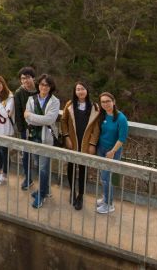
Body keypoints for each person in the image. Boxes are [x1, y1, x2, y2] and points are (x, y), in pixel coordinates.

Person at [59, 81, 100, 210]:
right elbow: (63, 121)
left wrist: (92, 144)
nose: (80, 91)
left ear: (87, 91)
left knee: (83, 169)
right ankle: (72, 190)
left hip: (86, 143)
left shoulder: (94, 107)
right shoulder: (70, 105)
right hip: (72, 141)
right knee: (71, 166)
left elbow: (96, 128)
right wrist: (66, 137)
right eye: (78, 89)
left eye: (82, 89)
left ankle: (81, 195)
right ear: (75, 92)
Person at [24, 73, 61, 209]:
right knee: (37, 164)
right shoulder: (31, 98)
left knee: (44, 168)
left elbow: (49, 120)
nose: (43, 87)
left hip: (46, 139)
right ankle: (45, 191)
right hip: (33, 137)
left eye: (46, 84)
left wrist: (31, 116)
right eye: (41, 84)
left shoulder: (54, 101)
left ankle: (42, 195)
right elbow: (26, 119)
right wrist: (35, 118)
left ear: (50, 87)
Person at [96, 92, 129, 214]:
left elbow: (122, 138)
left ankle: (109, 204)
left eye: (107, 101)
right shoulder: (102, 115)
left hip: (113, 151)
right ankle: (106, 198)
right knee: (103, 176)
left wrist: (113, 151)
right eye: (103, 102)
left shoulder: (121, 118)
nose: (105, 104)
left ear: (113, 102)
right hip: (101, 149)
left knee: (107, 178)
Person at [13, 67, 38, 190]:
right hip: (26, 129)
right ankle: (28, 178)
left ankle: (44, 182)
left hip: (41, 128)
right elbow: (18, 113)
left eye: (28, 77)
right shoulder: (19, 93)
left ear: (33, 78)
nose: (25, 80)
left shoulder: (40, 88)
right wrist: (22, 129)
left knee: (41, 156)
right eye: (23, 78)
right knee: (26, 154)